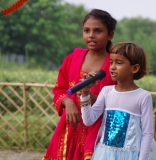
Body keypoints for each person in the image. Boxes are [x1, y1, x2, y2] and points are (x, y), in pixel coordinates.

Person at [42, 9, 117, 160]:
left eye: (98, 31)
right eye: (86, 30)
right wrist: (68, 102)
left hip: (97, 131)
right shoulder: (72, 58)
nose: (91, 35)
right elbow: (59, 89)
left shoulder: (115, 65)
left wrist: (89, 96)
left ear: (110, 35)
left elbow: (118, 100)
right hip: (69, 128)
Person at [79, 42, 156, 160]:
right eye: (111, 62)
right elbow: (88, 120)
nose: (112, 67)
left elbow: (147, 134)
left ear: (135, 68)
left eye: (119, 63)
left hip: (130, 156)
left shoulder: (143, 97)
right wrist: (85, 93)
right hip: (104, 154)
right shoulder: (106, 91)